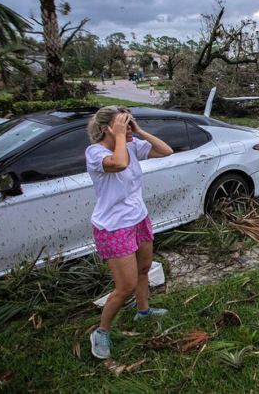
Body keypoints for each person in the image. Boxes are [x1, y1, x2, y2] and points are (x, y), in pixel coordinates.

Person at [86, 106, 173, 359]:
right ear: (106, 129)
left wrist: (138, 130)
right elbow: (120, 163)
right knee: (125, 286)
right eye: (121, 123)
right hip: (114, 227)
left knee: (144, 270)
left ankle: (143, 311)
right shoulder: (95, 152)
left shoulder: (132, 145)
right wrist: (122, 137)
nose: (127, 126)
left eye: (128, 121)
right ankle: (101, 332)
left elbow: (166, 151)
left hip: (138, 219)